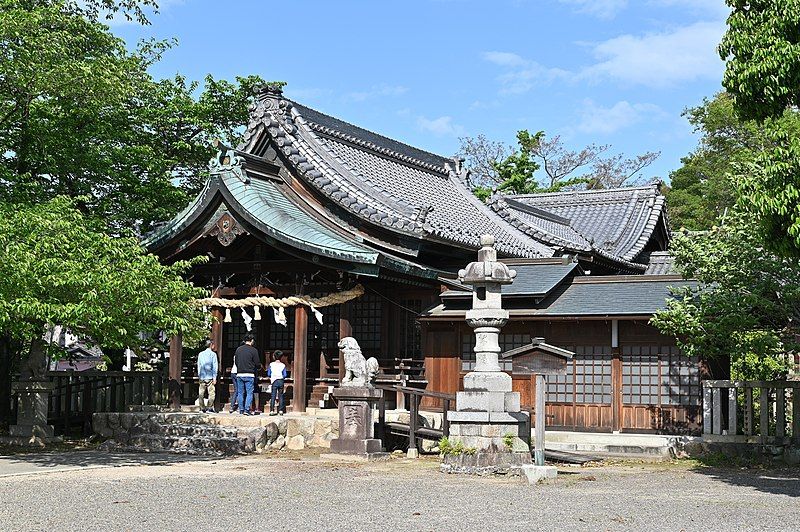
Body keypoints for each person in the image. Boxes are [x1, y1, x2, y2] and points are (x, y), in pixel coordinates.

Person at [234, 333, 260, 415]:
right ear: (252, 340)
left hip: (240, 373)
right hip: (249, 374)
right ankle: (247, 409)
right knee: (249, 393)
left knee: (240, 392)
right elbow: (257, 363)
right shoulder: (254, 350)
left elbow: (236, 362)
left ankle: (241, 409)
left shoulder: (238, 349)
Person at [196, 340, 218, 413]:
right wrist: (215, 377)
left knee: (201, 393)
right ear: (211, 345)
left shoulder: (200, 354)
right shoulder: (213, 354)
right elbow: (215, 367)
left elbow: (199, 365)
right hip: (210, 376)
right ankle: (209, 407)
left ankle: (202, 408)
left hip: (202, 376)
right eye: (213, 344)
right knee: (211, 393)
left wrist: (199, 375)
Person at [267, 350, 287, 415]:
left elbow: (269, 373)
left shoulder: (271, 364)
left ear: (274, 357)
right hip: (281, 380)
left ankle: (272, 410)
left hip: (274, 381)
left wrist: (272, 376)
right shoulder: (283, 365)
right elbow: (285, 375)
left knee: (273, 395)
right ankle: (281, 410)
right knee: (281, 396)